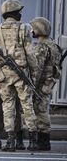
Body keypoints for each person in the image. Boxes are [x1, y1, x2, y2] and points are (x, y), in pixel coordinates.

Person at [0, 0, 40, 152]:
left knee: (7, 107)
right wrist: (34, 75)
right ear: (15, 13)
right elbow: (30, 54)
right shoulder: (23, 28)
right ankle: (33, 140)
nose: (21, 14)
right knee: (27, 106)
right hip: (20, 73)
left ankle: (10, 141)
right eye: (19, 12)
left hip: (3, 75)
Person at [30, 17, 61, 151]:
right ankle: (43, 140)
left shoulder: (41, 47)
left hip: (41, 84)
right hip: (49, 82)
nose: (31, 30)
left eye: (33, 28)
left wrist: (31, 85)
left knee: (40, 111)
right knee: (43, 109)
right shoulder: (53, 45)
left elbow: (37, 69)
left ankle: (43, 142)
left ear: (39, 30)